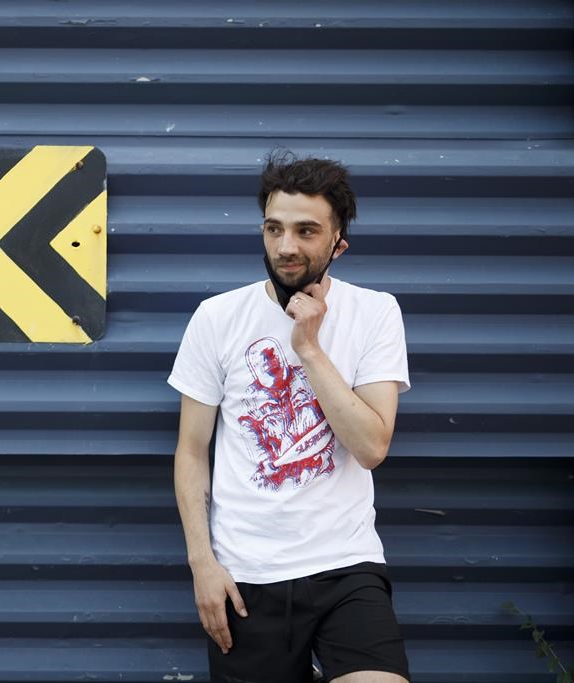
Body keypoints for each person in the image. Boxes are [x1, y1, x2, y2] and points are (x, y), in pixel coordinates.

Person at [168, 151, 412, 683]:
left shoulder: (375, 313)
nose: (286, 247)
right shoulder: (217, 318)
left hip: (346, 567)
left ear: (337, 244)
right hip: (246, 577)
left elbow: (371, 446)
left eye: (306, 231)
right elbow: (191, 451)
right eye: (274, 228)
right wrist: (201, 565)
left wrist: (309, 347)